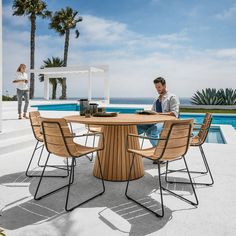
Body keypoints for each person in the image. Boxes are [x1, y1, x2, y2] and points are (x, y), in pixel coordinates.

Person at [137, 77, 180, 162]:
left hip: (167, 122)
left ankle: (160, 155)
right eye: (156, 87)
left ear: (164, 86)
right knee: (136, 128)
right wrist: (146, 113)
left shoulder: (172, 97)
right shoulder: (157, 98)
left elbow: (175, 114)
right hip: (156, 121)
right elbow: (153, 111)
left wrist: (158, 114)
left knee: (152, 131)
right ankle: (132, 151)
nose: (157, 89)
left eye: (159, 87)